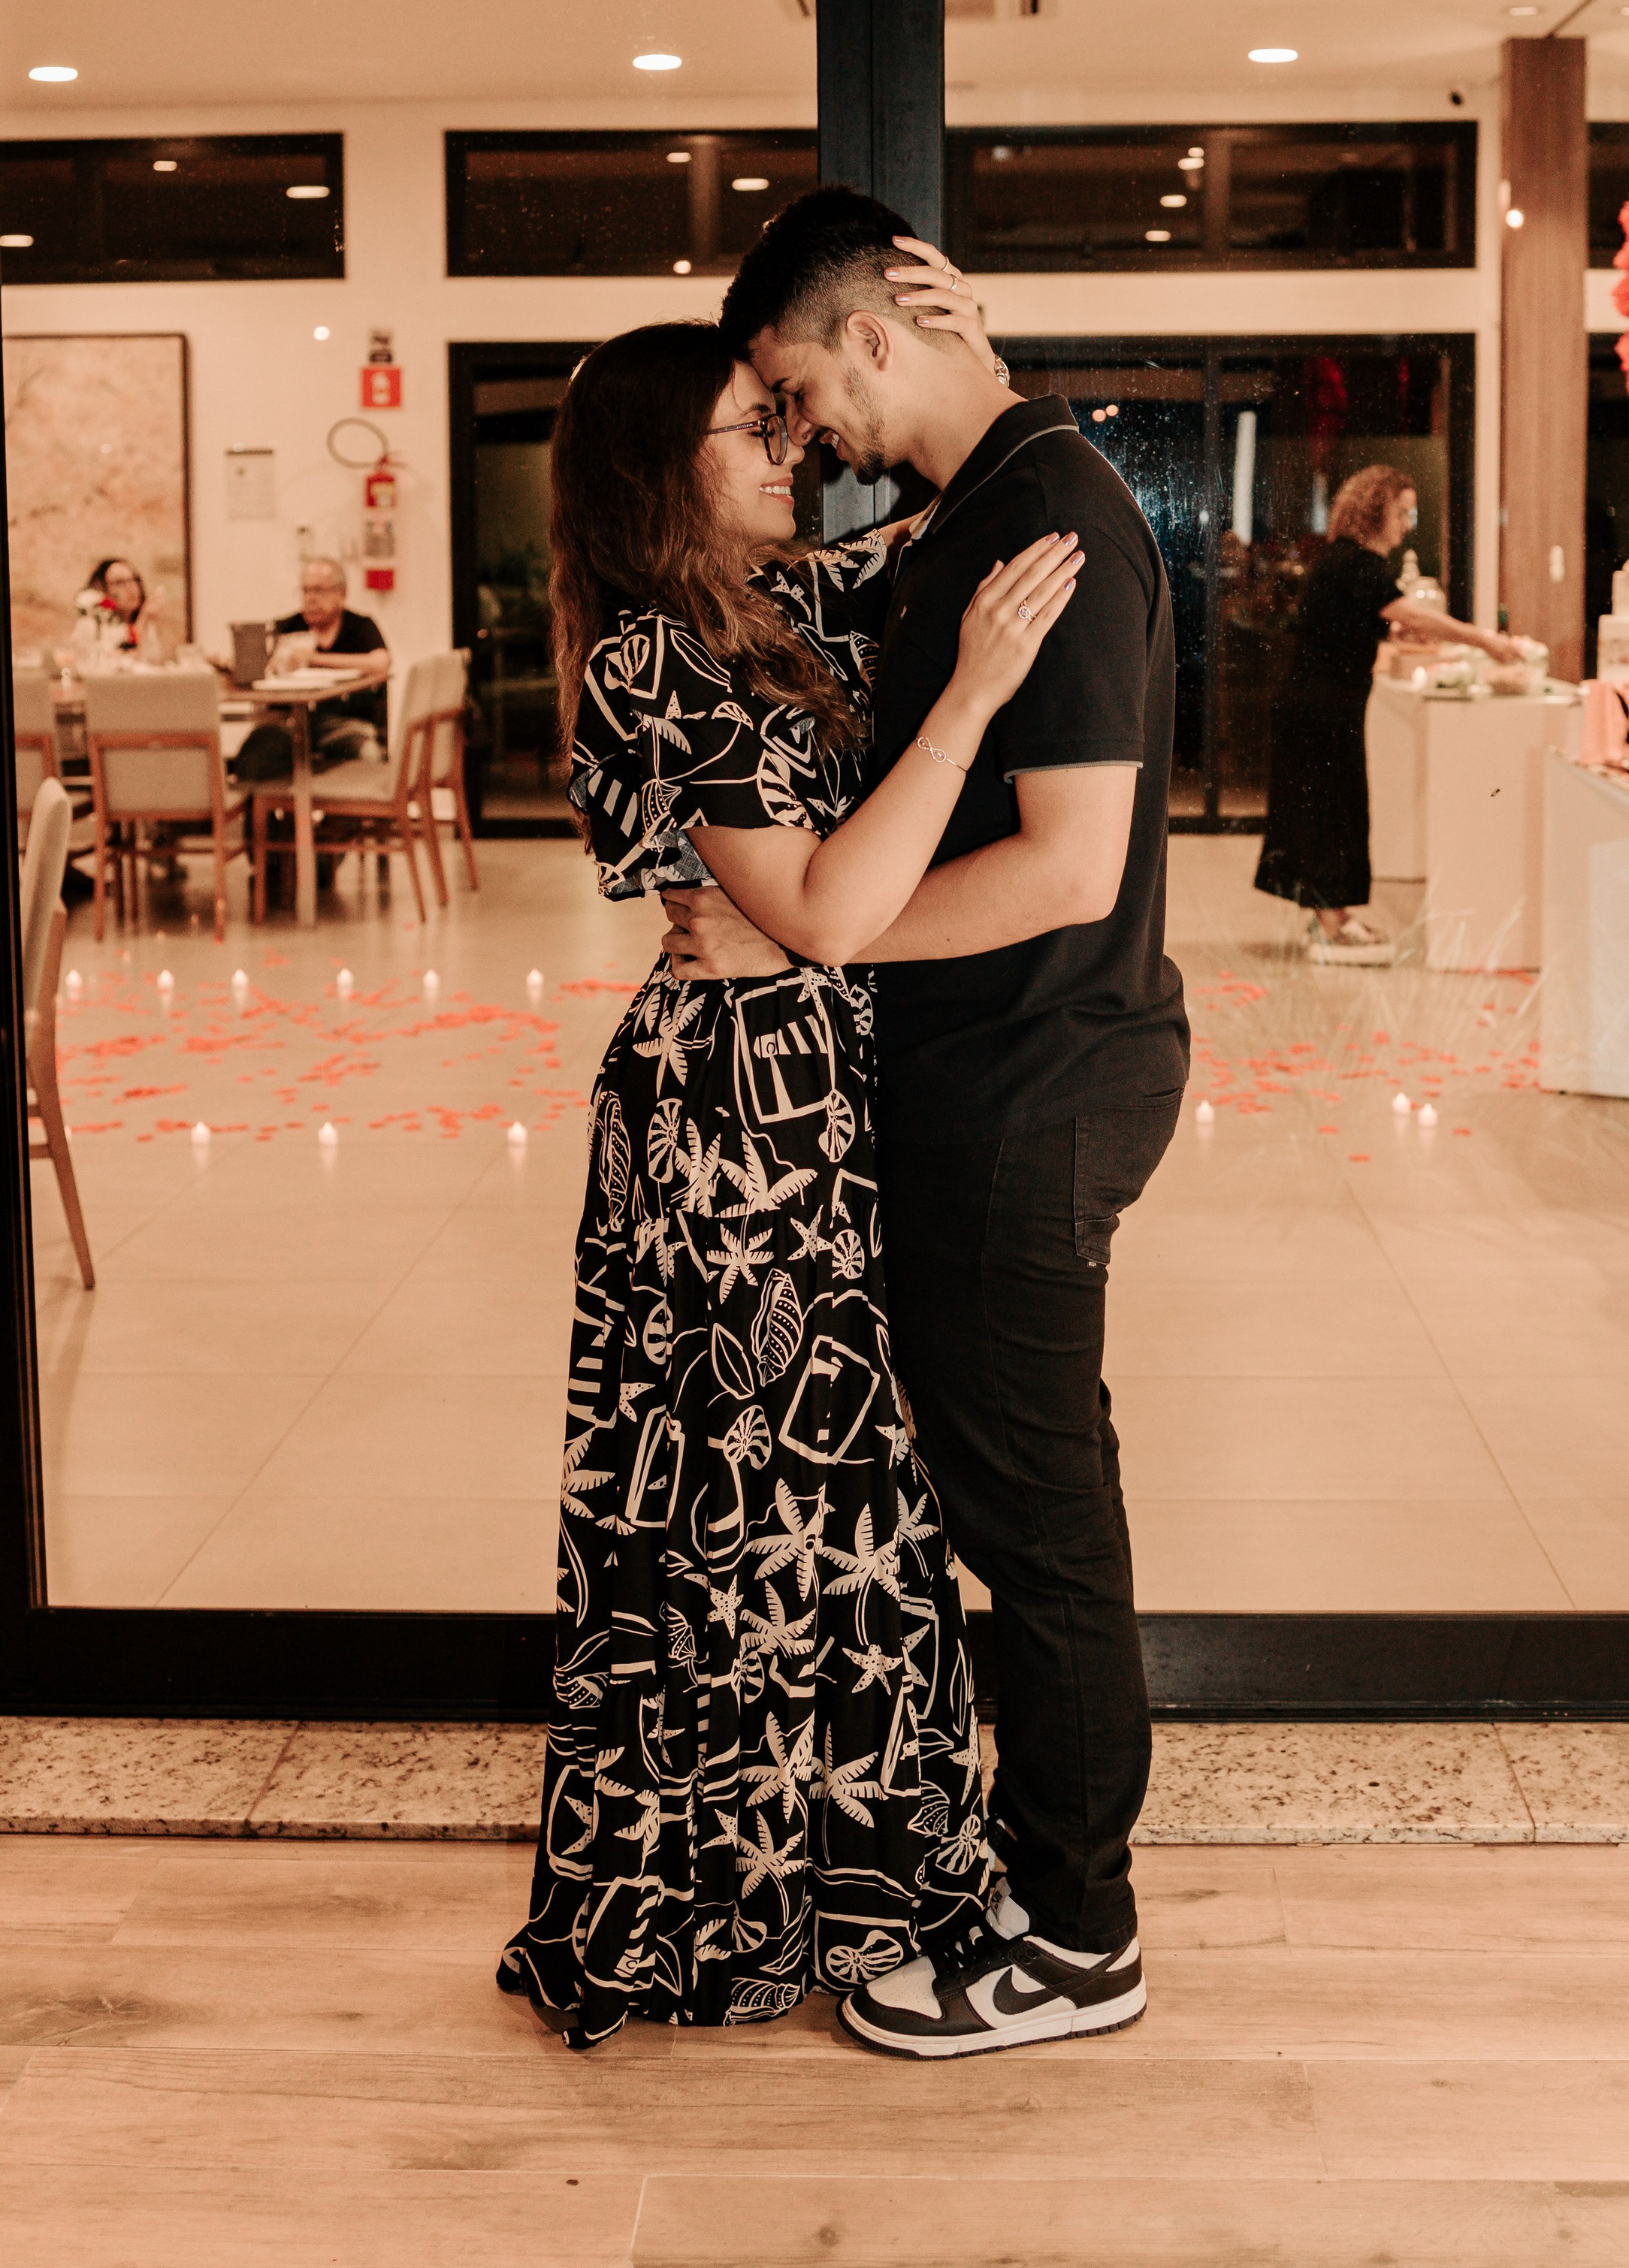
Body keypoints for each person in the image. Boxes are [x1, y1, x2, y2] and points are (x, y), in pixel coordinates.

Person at [497, 319, 1083, 2047]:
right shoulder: (649, 659)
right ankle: (727, 1905)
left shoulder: (771, 612)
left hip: (800, 1096)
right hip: (722, 1122)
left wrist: (965, 388)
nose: (791, 449)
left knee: (829, 1504)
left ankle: (838, 1887)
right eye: (750, 429)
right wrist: (971, 695)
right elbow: (822, 908)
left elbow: (954, 503)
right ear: (650, 465)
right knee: (746, 1510)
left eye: (788, 418)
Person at [672, 186, 1192, 2061]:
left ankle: (1078, 1931)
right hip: (995, 1068)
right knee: (1016, 1499)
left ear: (870, 336)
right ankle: (1051, 1885)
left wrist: (809, 917)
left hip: (1034, 1072)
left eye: (797, 378)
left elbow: (1065, 865)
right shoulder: (988, 500)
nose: (795, 423)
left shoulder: (1045, 511)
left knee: (1036, 1518)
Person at [1255, 465, 1527, 965]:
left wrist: (1391, 634)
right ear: (1374, 511)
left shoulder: (1347, 562)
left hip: (1316, 704)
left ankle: (1329, 914)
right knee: (1334, 809)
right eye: (1402, 512)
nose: (1407, 524)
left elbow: (1352, 624)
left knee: (1327, 809)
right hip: (1322, 708)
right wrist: (1485, 639)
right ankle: (1333, 921)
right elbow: (1415, 613)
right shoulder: (1359, 564)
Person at [230, 558, 391, 783]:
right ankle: (260, 815)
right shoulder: (287, 628)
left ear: (341, 594)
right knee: (256, 751)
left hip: (345, 724)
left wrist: (315, 659)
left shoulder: (360, 626)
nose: (310, 598)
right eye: (305, 590)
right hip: (291, 724)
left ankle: (361, 816)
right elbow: (259, 664)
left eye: (319, 591)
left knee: (367, 753)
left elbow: (380, 663)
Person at [74, 556, 145, 658]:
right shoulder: (92, 625)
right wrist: (144, 620)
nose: (131, 587)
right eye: (120, 582)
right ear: (102, 590)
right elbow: (115, 665)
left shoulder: (142, 624)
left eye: (134, 579)